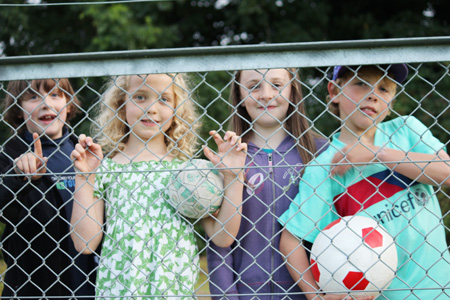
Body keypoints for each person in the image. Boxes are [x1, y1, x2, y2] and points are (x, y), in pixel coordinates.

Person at [279, 64, 450, 300]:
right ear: (334, 91)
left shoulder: (407, 131)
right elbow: (291, 239)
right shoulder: (324, 167)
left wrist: (376, 153)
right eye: (361, 84)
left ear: (391, 103)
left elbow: (447, 172)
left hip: (441, 290)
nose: (373, 95)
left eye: (384, 89)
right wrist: (315, 297)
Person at [69, 73, 247, 299]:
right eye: (140, 97)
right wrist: (84, 178)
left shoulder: (188, 173)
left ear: (176, 111)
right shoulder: (105, 169)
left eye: (163, 99)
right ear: (121, 105)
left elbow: (223, 237)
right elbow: (85, 243)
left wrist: (233, 177)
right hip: (119, 293)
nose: (151, 108)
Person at [207, 68, 327, 300]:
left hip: (309, 293)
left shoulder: (319, 153)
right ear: (239, 95)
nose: (265, 94)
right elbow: (219, 245)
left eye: (276, 84)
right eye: (253, 86)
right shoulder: (225, 158)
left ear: (293, 92)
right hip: (245, 294)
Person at [0, 79, 97, 299]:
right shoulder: (9, 158)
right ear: (18, 110)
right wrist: (18, 177)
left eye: (55, 95)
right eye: (33, 97)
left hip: (91, 284)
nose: (46, 103)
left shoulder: (87, 154)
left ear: (69, 105)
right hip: (35, 288)